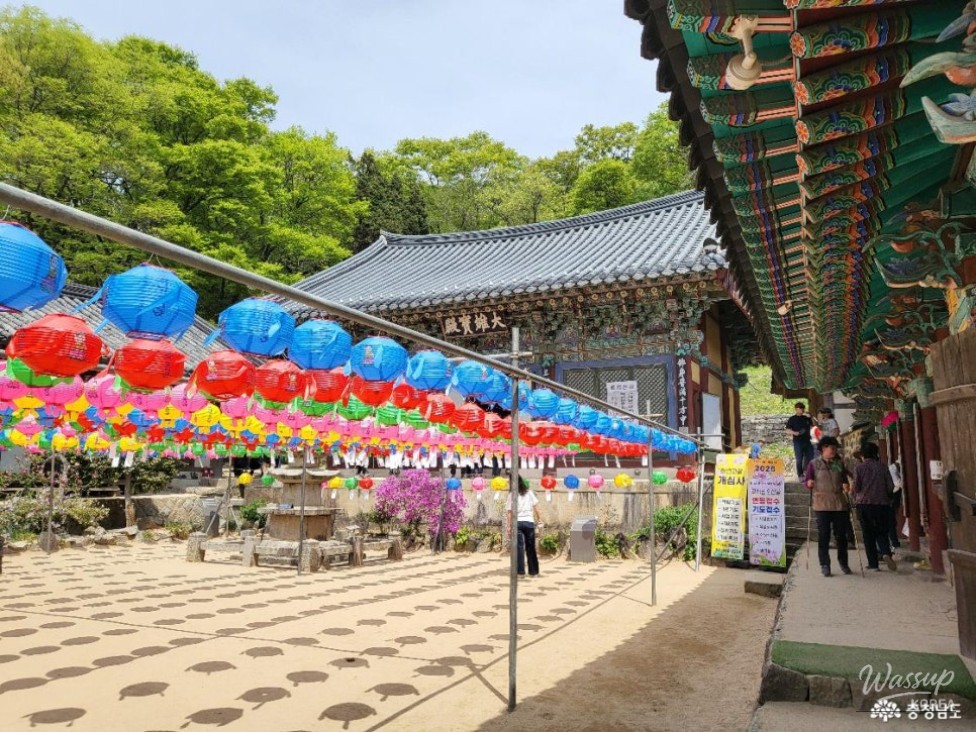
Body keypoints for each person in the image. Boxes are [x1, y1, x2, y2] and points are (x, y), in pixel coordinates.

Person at [804, 436, 852, 577]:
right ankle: (825, 564)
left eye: (835, 448)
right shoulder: (814, 464)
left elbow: (843, 479)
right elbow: (807, 480)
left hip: (838, 504)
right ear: (823, 448)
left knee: (841, 536)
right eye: (831, 448)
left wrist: (846, 485)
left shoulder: (838, 463)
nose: (834, 450)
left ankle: (843, 562)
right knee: (824, 535)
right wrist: (809, 483)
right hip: (821, 504)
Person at [852, 442, 898, 572]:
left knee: (868, 534)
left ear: (863, 455)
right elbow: (890, 487)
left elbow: (856, 487)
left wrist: (853, 493)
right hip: (882, 505)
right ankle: (885, 553)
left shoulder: (859, 468)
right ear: (875, 454)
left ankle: (873, 564)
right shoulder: (883, 468)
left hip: (864, 505)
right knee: (881, 532)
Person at [506, 477, 541, 577]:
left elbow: (509, 512)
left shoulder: (511, 495)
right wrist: (539, 519)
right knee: (531, 548)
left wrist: (508, 527)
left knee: (519, 548)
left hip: (517, 523)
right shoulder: (529, 493)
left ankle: (520, 572)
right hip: (529, 522)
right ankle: (533, 572)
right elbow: (537, 508)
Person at [787, 402, 815, 478]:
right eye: (800, 408)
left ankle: (810, 474)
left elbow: (813, 426)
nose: (802, 409)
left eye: (803, 408)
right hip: (798, 442)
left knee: (811, 457)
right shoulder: (792, 419)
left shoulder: (806, 418)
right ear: (796, 409)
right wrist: (795, 432)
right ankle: (800, 475)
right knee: (799, 458)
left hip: (808, 441)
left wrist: (811, 417)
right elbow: (787, 430)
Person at [887, 459, 903, 549]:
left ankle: (894, 542)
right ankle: (894, 542)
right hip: (891, 496)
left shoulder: (891, 468)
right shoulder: (892, 469)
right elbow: (898, 484)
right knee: (891, 521)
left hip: (891, 496)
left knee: (891, 521)